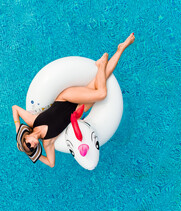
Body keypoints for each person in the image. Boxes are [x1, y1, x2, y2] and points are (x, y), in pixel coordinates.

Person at [12, 33, 135, 167]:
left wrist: (18, 127)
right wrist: (33, 155)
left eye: (28, 144)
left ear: (26, 136)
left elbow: (15, 108)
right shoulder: (48, 142)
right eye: (32, 148)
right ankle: (121, 48)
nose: (32, 145)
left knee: (101, 94)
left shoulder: (32, 121)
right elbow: (51, 163)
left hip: (67, 98)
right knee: (103, 78)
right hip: (79, 108)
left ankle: (101, 64)